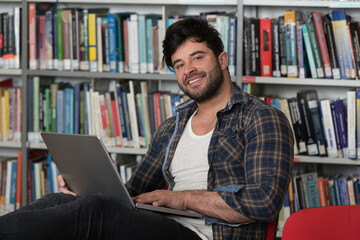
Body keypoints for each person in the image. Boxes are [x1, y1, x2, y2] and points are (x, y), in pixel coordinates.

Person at [0, 17, 294, 240]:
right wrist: (86, 189)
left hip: (207, 236)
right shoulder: (171, 128)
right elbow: (129, 194)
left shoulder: (261, 118)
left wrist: (181, 197)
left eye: (197, 57)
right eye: (179, 65)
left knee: (94, 213)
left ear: (222, 59)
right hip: (161, 227)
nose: (188, 70)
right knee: (61, 200)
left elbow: (263, 203)